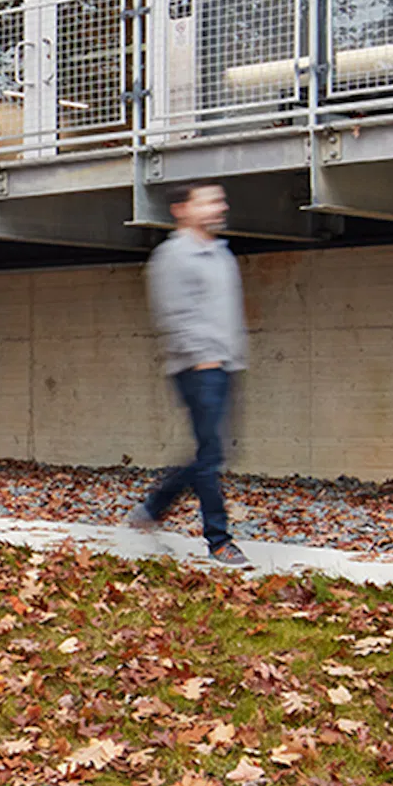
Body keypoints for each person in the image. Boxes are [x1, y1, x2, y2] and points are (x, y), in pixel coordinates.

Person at [120, 181, 249, 568]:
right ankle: (219, 541)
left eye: (220, 200)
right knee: (210, 456)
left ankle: (152, 508)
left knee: (214, 453)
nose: (218, 207)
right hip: (198, 367)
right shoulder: (173, 257)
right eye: (208, 201)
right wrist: (201, 357)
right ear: (182, 210)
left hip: (225, 364)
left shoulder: (220, 254)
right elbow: (173, 314)